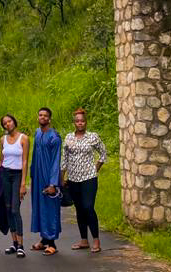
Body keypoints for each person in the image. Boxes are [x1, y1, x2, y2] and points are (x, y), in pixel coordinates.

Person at [62, 107, 108, 254]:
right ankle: (83, 240)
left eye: (82, 121)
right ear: (74, 123)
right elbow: (65, 159)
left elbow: (103, 153)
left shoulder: (92, 137)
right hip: (73, 179)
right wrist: (61, 177)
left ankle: (96, 240)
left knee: (88, 207)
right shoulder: (69, 137)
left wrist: (95, 169)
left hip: (89, 178)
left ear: (86, 122)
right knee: (79, 209)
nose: (80, 123)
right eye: (77, 121)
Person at [30, 107, 61, 255]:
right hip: (37, 176)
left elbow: (56, 161)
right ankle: (43, 240)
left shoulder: (54, 137)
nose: (42, 117)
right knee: (39, 207)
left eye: (45, 116)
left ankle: (52, 243)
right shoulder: (37, 133)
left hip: (49, 177)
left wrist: (53, 184)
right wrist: (32, 174)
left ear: (49, 119)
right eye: (40, 115)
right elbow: (34, 155)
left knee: (50, 208)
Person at [0, 114, 29, 258]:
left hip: (17, 175)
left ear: (14, 122)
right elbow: (1, 160)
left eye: (9, 121)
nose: (7, 124)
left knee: (16, 209)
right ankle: (14, 243)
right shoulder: (2, 139)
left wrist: (23, 184)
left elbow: (24, 162)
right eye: (4, 123)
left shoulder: (23, 138)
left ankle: (21, 245)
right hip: (5, 174)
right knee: (8, 209)